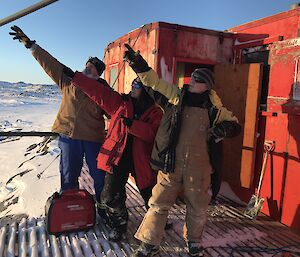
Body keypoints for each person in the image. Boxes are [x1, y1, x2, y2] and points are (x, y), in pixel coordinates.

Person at [123, 44, 241, 257]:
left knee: (198, 206)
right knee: (158, 203)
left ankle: (194, 241)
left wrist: (225, 128)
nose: (191, 81)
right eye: (192, 77)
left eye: (197, 79)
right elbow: (153, 82)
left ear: (206, 86)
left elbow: (234, 124)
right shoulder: (175, 97)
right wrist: (136, 63)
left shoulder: (215, 108)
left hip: (200, 167)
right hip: (172, 164)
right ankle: (149, 243)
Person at [62, 68, 163, 241]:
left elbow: (152, 134)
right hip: (118, 156)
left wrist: (133, 126)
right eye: (133, 82)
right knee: (110, 195)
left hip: (141, 160)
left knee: (150, 195)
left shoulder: (155, 112)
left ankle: (158, 220)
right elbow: (98, 92)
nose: (133, 85)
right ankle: (119, 224)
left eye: (137, 83)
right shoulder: (120, 102)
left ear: (146, 88)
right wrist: (76, 77)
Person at [9, 26, 107, 202]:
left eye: (92, 69)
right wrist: (31, 45)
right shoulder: (69, 81)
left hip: (93, 139)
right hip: (69, 137)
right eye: (87, 66)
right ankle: (70, 207)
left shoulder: (103, 91)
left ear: (98, 74)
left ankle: (105, 208)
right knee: (68, 177)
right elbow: (50, 63)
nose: (87, 70)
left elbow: (113, 112)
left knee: (100, 177)